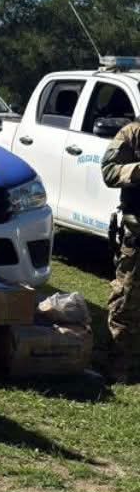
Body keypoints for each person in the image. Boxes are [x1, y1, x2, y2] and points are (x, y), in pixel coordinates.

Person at [96, 118, 140, 382]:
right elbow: (109, 171)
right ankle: (119, 365)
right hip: (138, 233)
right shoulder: (132, 134)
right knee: (127, 299)